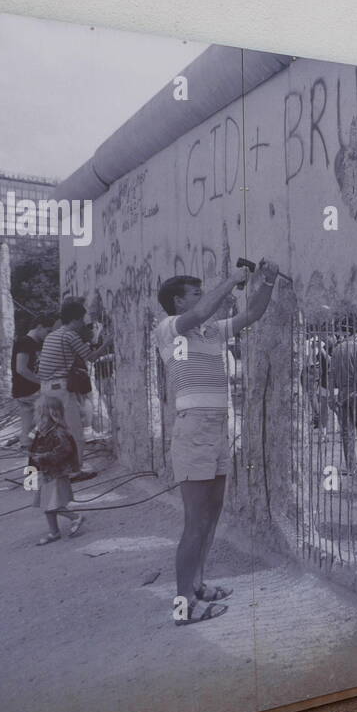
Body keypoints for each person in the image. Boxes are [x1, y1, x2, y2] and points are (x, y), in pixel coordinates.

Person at [155, 261, 280, 625]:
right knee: (194, 522)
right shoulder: (169, 329)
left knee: (211, 516)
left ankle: (197, 586)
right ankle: (183, 606)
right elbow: (201, 310)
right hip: (193, 429)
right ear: (178, 302)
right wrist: (232, 280)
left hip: (217, 427)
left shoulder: (211, 332)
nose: (200, 297)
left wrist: (267, 279)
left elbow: (253, 313)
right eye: (194, 292)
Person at [37, 301, 110, 477]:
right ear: (76, 319)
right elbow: (91, 357)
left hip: (46, 388)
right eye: (82, 319)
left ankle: (59, 466)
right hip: (61, 389)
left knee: (57, 432)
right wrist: (107, 342)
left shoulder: (52, 336)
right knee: (75, 431)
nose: (84, 323)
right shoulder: (70, 336)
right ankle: (75, 470)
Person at [27, 394, 86, 545]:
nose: (37, 416)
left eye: (40, 413)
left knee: (51, 504)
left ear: (51, 413)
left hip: (55, 473)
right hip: (45, 472)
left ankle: (75, 517)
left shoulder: (59, 432)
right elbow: (33, 446)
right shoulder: (41, 430)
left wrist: (44, 456)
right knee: (46, 504)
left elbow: (64, 450)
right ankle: (54, 532)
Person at [329, 318, 357, 472]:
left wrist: (332, 396)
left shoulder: (336, 350)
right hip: (356, 392)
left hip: (342, 393)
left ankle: (350, 466)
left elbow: (331, 375)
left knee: (347, 431)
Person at [11, 314, 56, 449]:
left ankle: (28, 446)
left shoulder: (32, 343)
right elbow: (21, 369)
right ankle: (42, 447)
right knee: (51, 417)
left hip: (22, 390)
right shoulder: (25, 342)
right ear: (39, 326)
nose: (49, 335)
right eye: (48, 331)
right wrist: (42, 383)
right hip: (28, 390)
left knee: (28, 426)